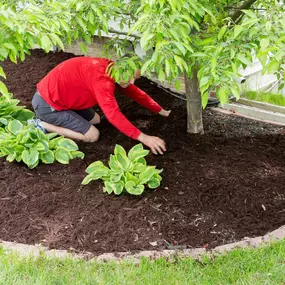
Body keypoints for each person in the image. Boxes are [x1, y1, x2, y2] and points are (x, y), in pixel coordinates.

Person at [29, 56, 171, 154]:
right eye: (131, 77)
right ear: (121, 68)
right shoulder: (102, 81)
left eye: (135, 78)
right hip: (47, 104)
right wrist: (143, 137)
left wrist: (160, 110)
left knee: (96, 119)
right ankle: (42, 125)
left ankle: (61, 117)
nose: (132, 82)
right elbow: (113, 114)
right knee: (92, 135)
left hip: (62, 99)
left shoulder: (113, 69)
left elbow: (135, 93)